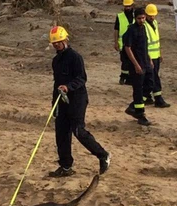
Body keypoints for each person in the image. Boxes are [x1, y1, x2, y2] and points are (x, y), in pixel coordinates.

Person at [48, 26, 110, 177]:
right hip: (61, 101)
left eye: (59, 42)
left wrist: (68, 87)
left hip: (77, 99)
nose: (57, 45)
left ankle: (103, 155)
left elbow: (82, 78)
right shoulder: (56, 60)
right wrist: (54, 103)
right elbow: (56, 83)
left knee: (78, 131)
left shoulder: (75, 57)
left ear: (65, 40)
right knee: (61, 134)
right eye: (54, 43)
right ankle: (66, 166)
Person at [124, 8, 154, 126]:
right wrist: (136, 64)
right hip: (137, 65)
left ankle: (133, 107)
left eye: (143, 18)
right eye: (139, 18)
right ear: (135, 18)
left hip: (146, 62)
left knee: (149, 85)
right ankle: (140, 114)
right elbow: (127, 48)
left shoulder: (144, 28)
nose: (142, 20)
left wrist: (149, 59)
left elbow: (145, 45)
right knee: (138, 89)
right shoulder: (131, 30)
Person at [144, 4, 171, 108]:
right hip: (149, 57)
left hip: (156, 55)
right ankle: (158, 99)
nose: (152, 17)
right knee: (154, 77)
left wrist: (160, 53)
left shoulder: (154, 23)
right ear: (146, 14)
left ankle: (146, 97)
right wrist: (149, 57)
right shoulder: (144, 25)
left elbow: (157, 41)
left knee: (151, 77)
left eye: (153, 15)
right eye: (150, 15)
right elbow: (144, 43)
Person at [114, 0, 135, 85]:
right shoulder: (120, 16)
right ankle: (123, 77)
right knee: (125, 62)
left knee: (132, 62)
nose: (127, 8)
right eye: (126, 6)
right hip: (123, 43)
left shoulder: (136, 16)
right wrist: (116, 42)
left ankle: (130, 79)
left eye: (129, 6)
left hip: (134, 44)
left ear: (132, 5)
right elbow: (116, 30)